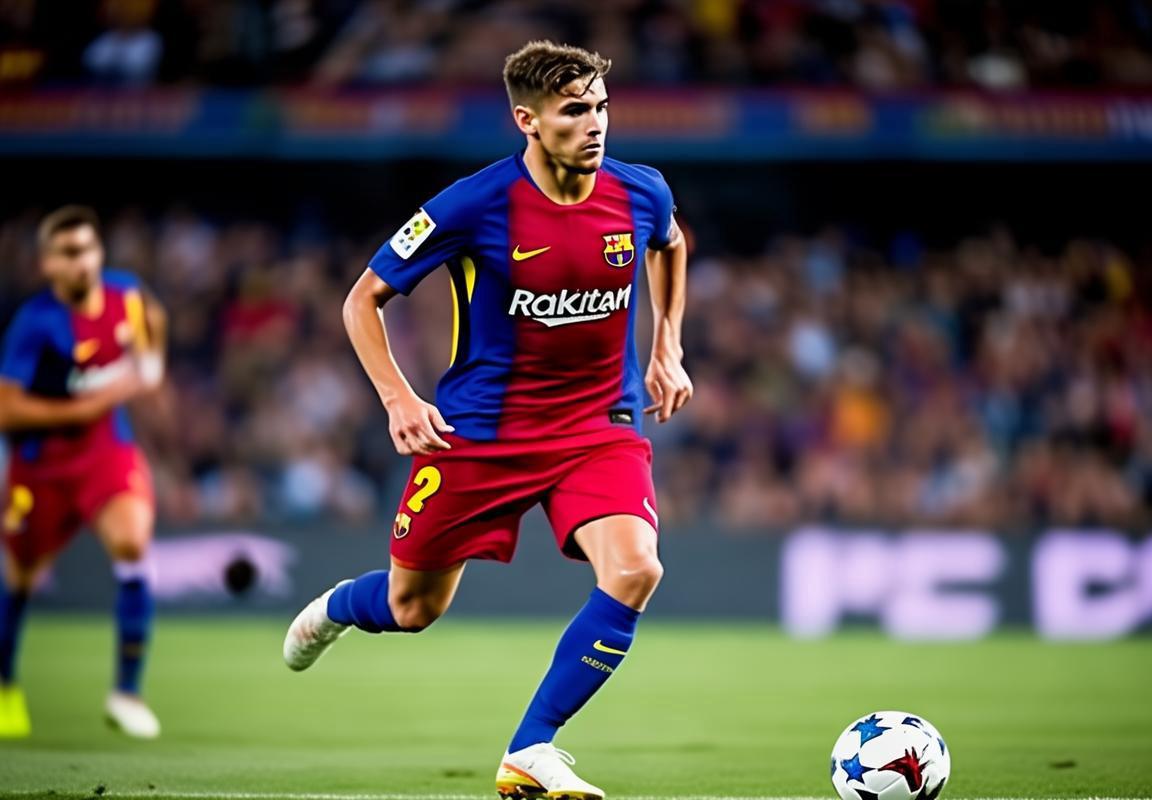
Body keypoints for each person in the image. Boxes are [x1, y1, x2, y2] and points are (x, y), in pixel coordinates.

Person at [283, 40, 691, 798]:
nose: (596, 124)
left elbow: (671, 243)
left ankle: (531, 747)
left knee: (637, 568)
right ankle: (339, 606)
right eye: (575, 111)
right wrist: (400, 398)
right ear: (527, 120)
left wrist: (667, 344)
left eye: (602, 107)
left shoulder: (641, 191)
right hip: (481, 435)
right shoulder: (472, 205)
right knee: (412, 608)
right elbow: (362, 299)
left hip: (599, 426)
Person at [0, 206, 166, 739]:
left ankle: (127, 692)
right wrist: (89, 404)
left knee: (132, 543)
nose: (84, 262)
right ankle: (5, 685)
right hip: (39, 467)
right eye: (69, 253)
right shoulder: (35, 324)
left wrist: (152, 364)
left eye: (90, 249)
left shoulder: (127, 294)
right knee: (19, 579)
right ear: (47, 264)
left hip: (104, 452)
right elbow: (6, 409)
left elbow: (153, 320)